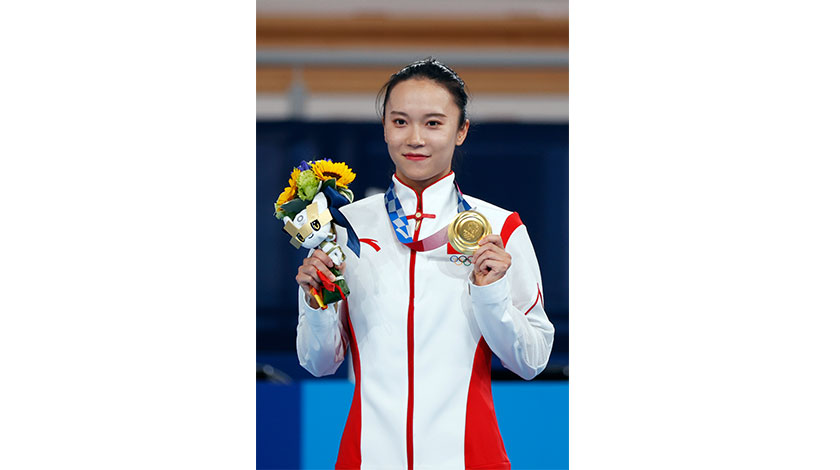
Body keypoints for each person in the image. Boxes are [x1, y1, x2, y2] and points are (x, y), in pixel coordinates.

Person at [294, 58, 555, 469]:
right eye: (400, 122)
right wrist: (317, 302)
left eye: (433, 123)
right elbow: (319, 362)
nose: (415, 138)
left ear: (461, 130)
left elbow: (531, 362)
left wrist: (491, 294)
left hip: (470, 459)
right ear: (384, 128)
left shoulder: (500, 228)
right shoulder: (344, 227)